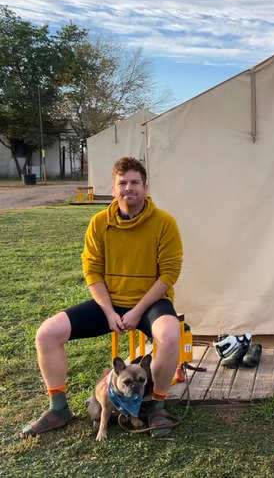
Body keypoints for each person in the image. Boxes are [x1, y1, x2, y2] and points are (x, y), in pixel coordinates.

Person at [21, 157, 183, 438]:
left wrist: (136, 312)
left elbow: (168, 275)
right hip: (109, 303)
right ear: (114, 188)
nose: (128, 188)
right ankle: (58, 408)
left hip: (150, 303)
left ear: (146, 187)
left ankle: (156, 405)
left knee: (169, 335)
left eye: (135, 182)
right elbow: (92, 271)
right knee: (47, 333)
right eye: (123, 183)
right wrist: (109, 311)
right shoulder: (99, 223)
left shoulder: (164, 223)